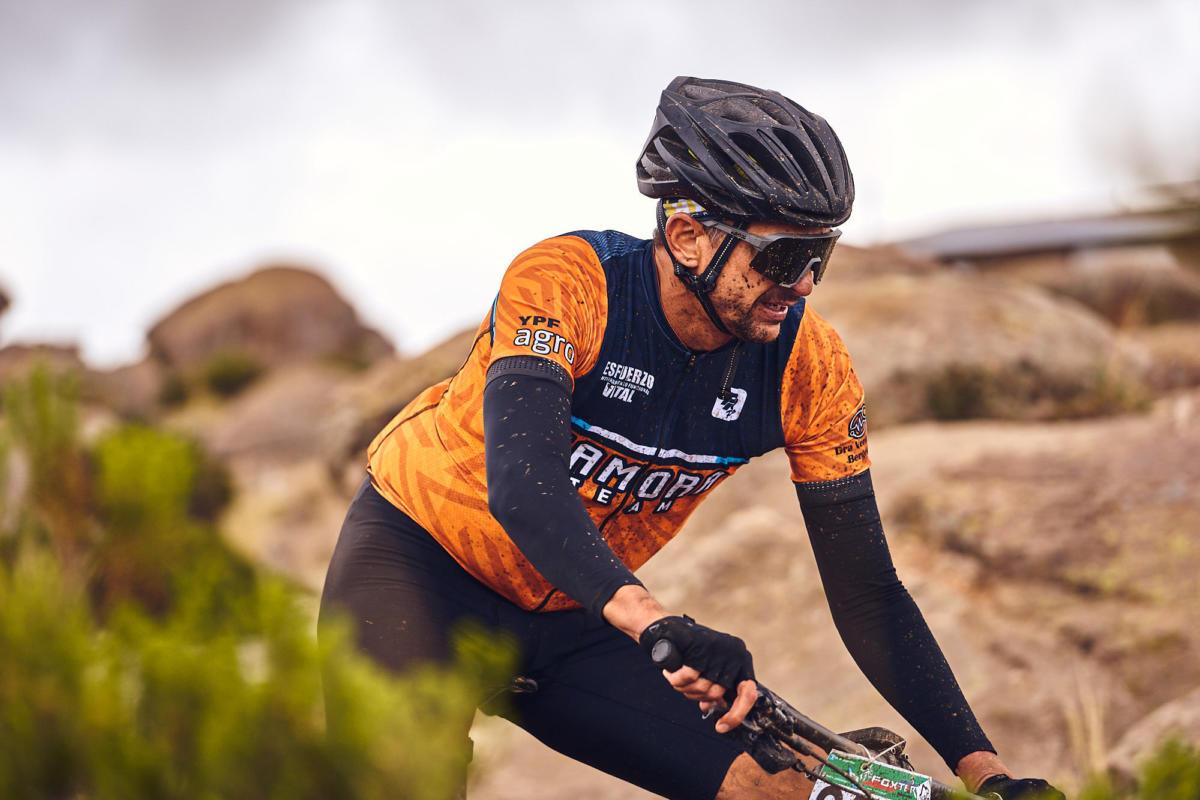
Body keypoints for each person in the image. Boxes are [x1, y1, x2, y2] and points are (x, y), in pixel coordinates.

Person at [320, 76, 1064, 800]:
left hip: (576, 611)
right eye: (782, 258)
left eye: (820, 258)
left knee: (788, 791)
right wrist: (656, 623)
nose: (804, 284)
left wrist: (987, 774)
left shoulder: (809, 366)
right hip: (420, 568)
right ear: (687, 236)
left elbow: (867, 591)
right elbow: (523, 488)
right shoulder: (569, 283)